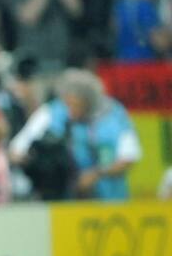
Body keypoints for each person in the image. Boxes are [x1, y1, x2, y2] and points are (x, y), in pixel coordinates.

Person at [9, 68, 142, 200]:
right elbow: (17, 150)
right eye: (67, 104)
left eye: (76, 105)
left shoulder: (114, 116)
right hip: (61, 202)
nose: (70, 111)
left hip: (109, 201)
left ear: (89, 102)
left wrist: (97, 174)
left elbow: (128, 158)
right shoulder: (51, 113)